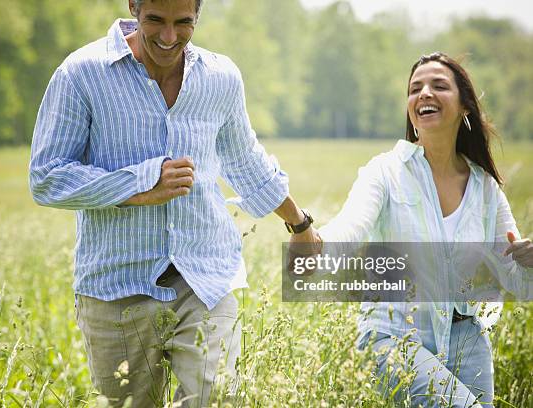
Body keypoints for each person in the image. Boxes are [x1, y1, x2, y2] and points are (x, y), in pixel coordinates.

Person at [29, 0, 320, 406]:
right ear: (134, 6)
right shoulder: (81, 74)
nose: (169, 38)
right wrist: (141, 184)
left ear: (198, 14)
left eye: (184, 23)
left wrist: (299, 224)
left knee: (214, 397)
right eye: (155, 21)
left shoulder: (220, 77)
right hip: (116, 283)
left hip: (204, 275)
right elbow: (47, 176)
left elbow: (245, 159)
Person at [313, 52, 532, 407]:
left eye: (438, 86)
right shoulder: (384, 172)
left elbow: (517, 280)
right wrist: (314, 241)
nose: (424, 93)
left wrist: (528, 262)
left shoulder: (485, 189)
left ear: (464, 107)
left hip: (468, 341)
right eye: (415, 89)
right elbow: (349, 229)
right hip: (394, 336)